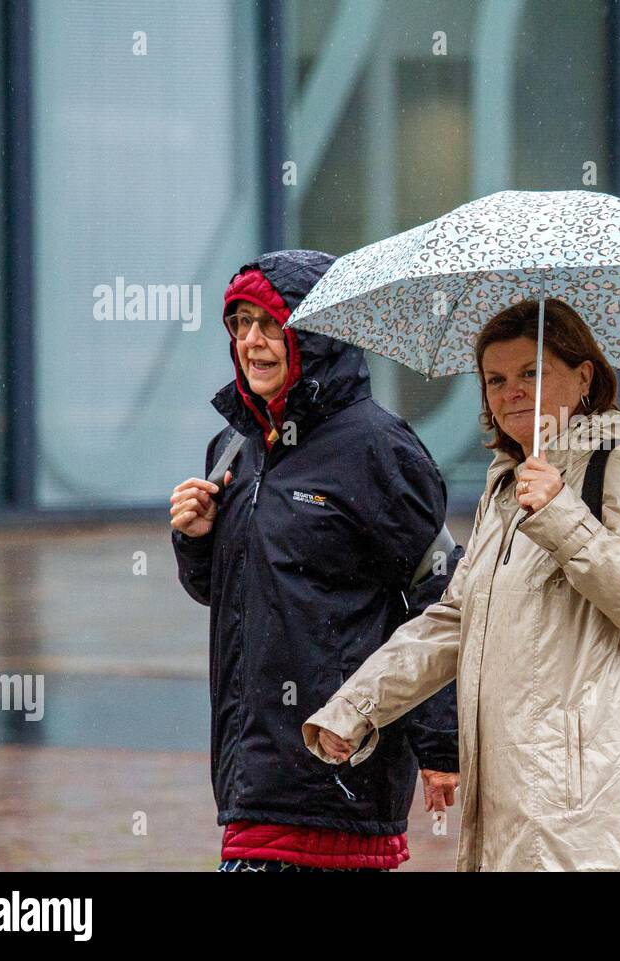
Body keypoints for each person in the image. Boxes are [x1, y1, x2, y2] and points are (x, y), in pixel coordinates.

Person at [303, 297, 620, 871]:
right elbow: (454, 619)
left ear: (584, 376)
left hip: (583, 795)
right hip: (508, 789)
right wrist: (357, 706)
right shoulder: (505, 489)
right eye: (496, 379)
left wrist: (562, 514)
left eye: (533, 373)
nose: (512, 391)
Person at [170, 249, 460, 872]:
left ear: (316, 334)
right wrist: (197, 541)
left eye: (271, 324)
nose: (252, 341)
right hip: (249, 776)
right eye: (240, 324)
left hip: (338, 768)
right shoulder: (234, 447)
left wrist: (441, 741)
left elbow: (439, 596)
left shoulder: (377, 448)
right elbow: (232, 593)